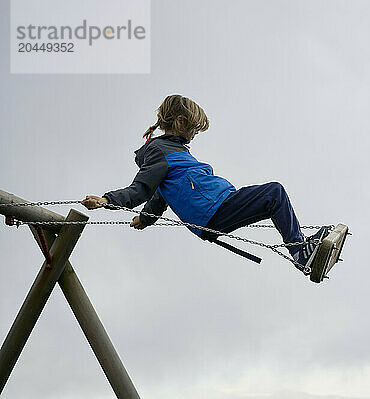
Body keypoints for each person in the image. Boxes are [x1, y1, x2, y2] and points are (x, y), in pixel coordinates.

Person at [81, 94, 328, 275]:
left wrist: (145, 219)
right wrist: (107, 200)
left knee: (273, 200)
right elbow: (142, 189)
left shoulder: (174, 153)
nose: (195, 135)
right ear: (180, 122)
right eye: (194, 129)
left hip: (217, 207)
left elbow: (160, 196)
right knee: (275, 192)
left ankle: (303, 249)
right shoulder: (160, 150)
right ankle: (300, 252)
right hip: (213, 209)